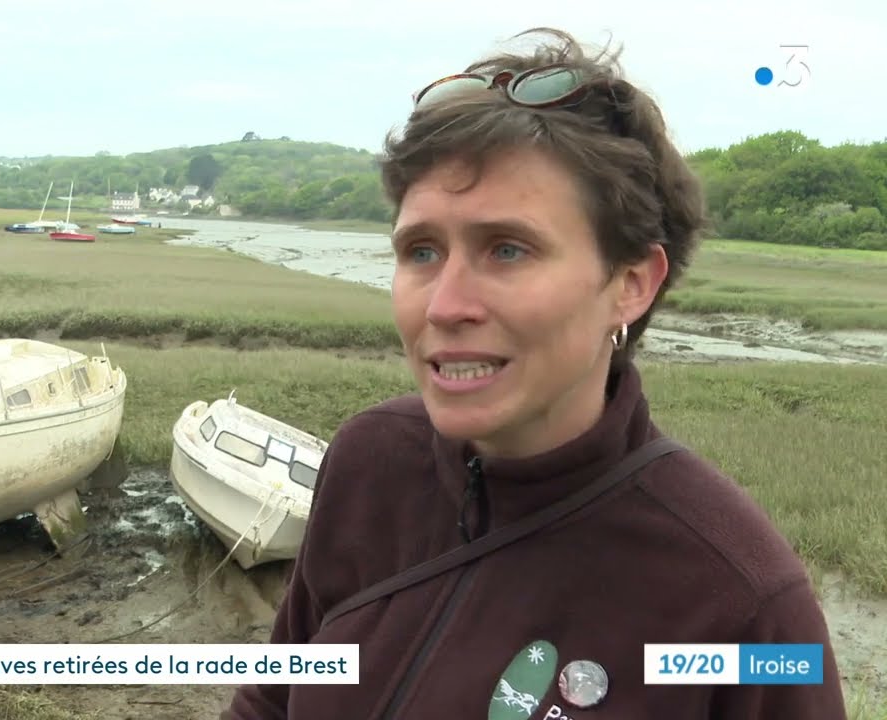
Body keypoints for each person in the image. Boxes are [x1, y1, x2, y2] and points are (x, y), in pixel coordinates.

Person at [222, 27, 846, 720]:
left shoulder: (745, 603)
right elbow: (273, 697)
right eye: (421, 251)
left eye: (508, 249)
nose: (446, 304)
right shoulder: (368, 461)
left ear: (632, 282)